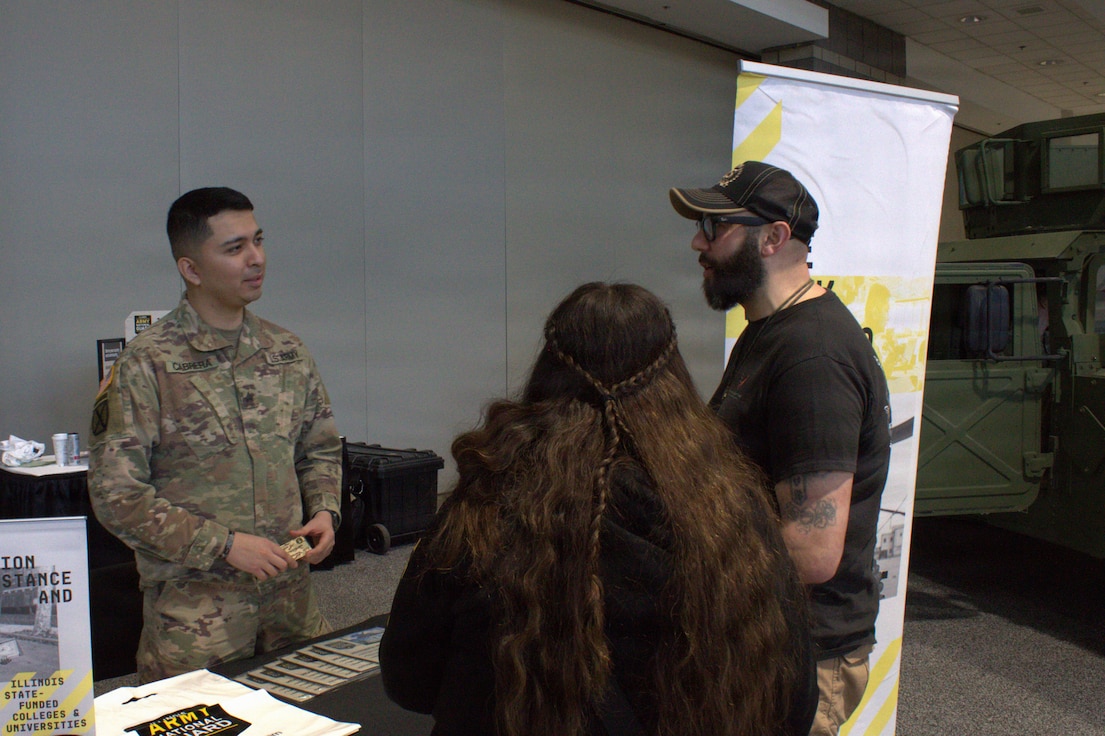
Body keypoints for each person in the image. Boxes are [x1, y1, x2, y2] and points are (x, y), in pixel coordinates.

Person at [379, 282, 817, 736]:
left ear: (550, 367)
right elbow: (793, 700)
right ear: (673, 374)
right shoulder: (733, 513)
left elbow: (408, 681)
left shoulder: (486, 507)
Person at [669, 162, 892, 736]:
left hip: (796, 656)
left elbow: (813, 551)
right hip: (761, 637)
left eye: (715, 227)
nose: (699, 241)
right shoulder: (769, 330)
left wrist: (673, 563)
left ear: (773, 237)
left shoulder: (812, 358)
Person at [88, 187, 342, 682]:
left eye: (258, 240)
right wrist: (223, 545)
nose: (257, 259)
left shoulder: (286, 350)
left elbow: (320, 448)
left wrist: (326, 511)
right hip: (198, 616)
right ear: (191, 269)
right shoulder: (147, 364)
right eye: (235, 248)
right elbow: (116, 495)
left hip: (291, 604)